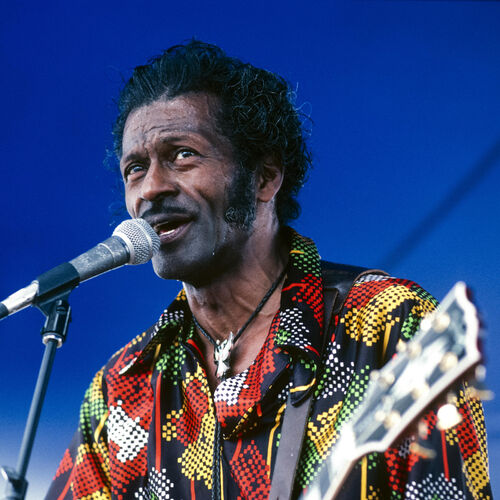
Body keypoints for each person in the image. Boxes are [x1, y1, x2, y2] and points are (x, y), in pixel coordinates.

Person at [46, 41, 491, 500]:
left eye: (182, 154)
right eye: (135, 169)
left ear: (264, 176)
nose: (151, 188)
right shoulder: (121, 387)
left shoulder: (389, 323)